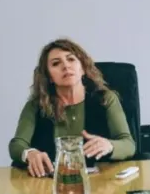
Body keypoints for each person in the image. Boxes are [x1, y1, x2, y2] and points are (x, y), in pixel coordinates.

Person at [9, 38, 136, 177]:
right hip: (48, 184)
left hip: (99, 182)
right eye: (56, 63)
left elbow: (129, 144)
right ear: (49, 76)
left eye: (71, 59)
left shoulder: (105, 99)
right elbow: (17, 144)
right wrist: (29, 153)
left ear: (82, 68)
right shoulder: (36, 105)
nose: (65, 66)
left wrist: (109, 146)